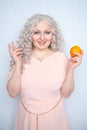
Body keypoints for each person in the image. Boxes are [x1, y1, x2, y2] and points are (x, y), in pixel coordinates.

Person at [7, 14, 83, 130]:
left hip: (54, 120)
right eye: (36, 32)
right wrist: (18, 63)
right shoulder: (20, 57)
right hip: (26, 120)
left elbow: (67, 94)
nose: (42, 38)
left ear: (53, 35)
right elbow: (12, 93)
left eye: (47, 32)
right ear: (29, 35)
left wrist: (71, 69)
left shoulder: (61, 58)